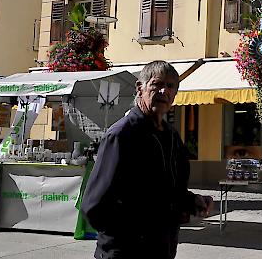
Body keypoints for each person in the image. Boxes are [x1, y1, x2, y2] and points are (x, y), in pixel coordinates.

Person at [82, 61, 214, 259]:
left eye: (170, 86)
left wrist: (191, 201)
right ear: (140, 88)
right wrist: (132, 236)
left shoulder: (171, 136)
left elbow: (168, 191)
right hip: (126, 252)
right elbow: (94, 206)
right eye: (157, 84)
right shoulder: (122, 134)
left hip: (162, 249)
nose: (164, 91)